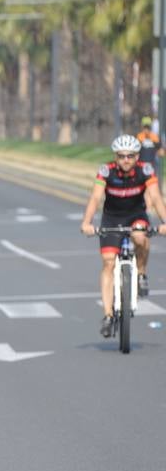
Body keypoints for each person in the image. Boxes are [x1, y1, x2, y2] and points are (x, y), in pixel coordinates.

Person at [80, 135, 166, 336]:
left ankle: (142, 273)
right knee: (109, 262)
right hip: (112, 218)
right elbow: (95, 198)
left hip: (136, 215)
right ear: (115, 157)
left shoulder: (146, 170)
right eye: (121, 156)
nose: (126, 160)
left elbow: (155, 197)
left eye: (130, 156)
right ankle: (108, 315)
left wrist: (164, 221)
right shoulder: (106, 172)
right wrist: (87, 223)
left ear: (137, 156)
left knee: (139, 236)